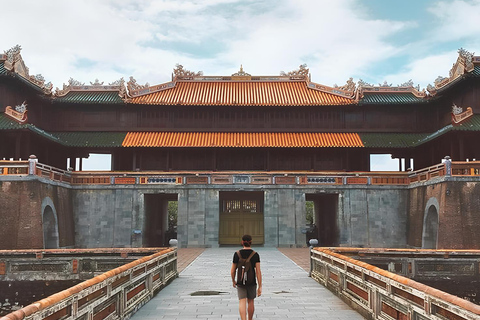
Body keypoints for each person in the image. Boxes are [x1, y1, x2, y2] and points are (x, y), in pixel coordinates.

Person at [230, 234, 262, 320]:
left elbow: (232, 270)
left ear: (242, 242)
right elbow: (258, 272)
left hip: (240, 282)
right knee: (251, 301)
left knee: (242, 301)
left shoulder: (237, 254)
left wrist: (233, 280)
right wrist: (260, 286)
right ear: (251, 242)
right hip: (251, 281)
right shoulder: (255, 255)